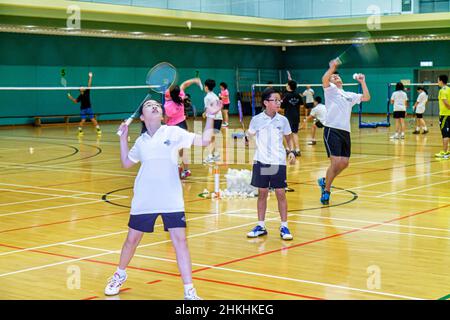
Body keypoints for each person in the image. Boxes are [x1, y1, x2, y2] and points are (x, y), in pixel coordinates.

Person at [104, 98, 222, 300]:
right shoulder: (141, 142)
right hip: (145, 198)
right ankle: (119, 274)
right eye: (149, 105)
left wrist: (211, 115)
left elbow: (204, 140)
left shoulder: (173, 132)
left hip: (171, 198)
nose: (155, 106)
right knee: (131, 241)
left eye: (157, 105)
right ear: (142, 117)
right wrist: (123, 139)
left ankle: (189, 291)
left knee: (181, 241)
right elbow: (126, 163)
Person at [246, 88, 296, 241]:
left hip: (278, 161)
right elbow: (249, 135)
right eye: (275, 100)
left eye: (279, 100)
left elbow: (288, 137)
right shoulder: (256, 120)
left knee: (281, 193)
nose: (279, 102)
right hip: (261, 161)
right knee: (262, 193)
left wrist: (291, 151)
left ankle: (284, 225)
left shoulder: (283, 120)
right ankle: (261, 225)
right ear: (266, 102)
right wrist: (247, 138)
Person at [318, 60, 370, 205]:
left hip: (345, 131)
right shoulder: (330, 90)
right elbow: (324, 79)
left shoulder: (349, 95)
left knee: (344, 163)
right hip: (332, 129)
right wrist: (331, 68)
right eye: (333, 77)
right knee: (335, 162)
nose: (336, 77)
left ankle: (325, 180)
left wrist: (362, 82)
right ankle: (327, 191)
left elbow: (366, 97)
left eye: (337, 76)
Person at [164, 78, 202, 179]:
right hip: (183, 125)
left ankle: (175, 168)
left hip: (173, 128)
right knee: (182, 150)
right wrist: (195, 80)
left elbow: (165, 120)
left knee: (173, 149)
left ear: (171, 94)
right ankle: (186, 170)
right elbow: (185, 84)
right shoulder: (180, 96)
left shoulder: (168, 106)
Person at [67, 72, 101, 136]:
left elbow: (89, 84)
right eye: (81, 87)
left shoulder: (87, 92)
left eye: (83, 87)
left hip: (89, 108)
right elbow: (75, 101)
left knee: (92, 119)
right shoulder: (80, 96)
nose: (83, 87)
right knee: (83, 120)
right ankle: (80, 130)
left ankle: (98, 129)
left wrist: (90, 77)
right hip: (83, 109)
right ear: (80, 90)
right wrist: (70, 97)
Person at [202, 79, 223, 164]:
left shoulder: (207, 97)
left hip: (213, 119)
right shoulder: (215, 95)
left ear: (206, 87)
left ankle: (210, 156)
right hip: (219, 118)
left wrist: (205, 113)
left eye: (204, 86)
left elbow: (209, 110)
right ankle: (215, 155)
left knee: (209, 138)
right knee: (212, 137)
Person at [281, 80, 303, 156]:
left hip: (288, 117)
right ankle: (297, 149)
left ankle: (289, 149)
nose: (286, 86)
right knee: (295, 133)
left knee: (286, 133)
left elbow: (282, 106)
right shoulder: (298, 95)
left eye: (287, 85)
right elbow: (301, 104)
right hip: (296, 116)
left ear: (289, 86)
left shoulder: (286, 96)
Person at [435, 74, 450, 159]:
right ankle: (446, 152)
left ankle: (444, 152)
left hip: (444, 115)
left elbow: (446, 103)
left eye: (438, 80)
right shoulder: (449, 89)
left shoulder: (442, 91)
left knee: (445, 134)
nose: (437, 82)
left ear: (441, 81)